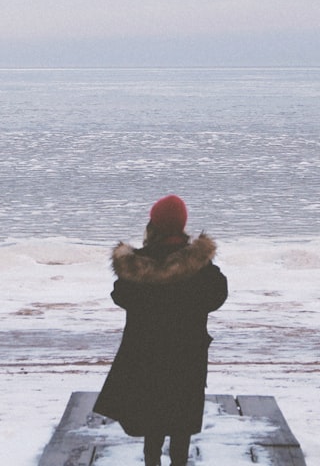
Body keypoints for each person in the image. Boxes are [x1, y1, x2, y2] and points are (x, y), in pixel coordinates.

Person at [94, 195, 228, 466]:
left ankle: (152, 462)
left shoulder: (136, 266)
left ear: (153, 225)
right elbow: (218, 295)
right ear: (182, 226)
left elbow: (120, 295)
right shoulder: (200, 266)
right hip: (187, 355)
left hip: (147, 355)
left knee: (152, 417)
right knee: (182, 419)